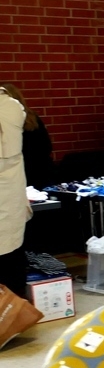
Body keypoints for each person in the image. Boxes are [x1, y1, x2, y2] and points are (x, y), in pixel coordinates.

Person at [0, 85, 30, 296]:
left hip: (8, 193)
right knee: (12, 255)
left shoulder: (10, 107)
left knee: (9, 257)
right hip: (11, 194)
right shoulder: (13, 107)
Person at [1, 84, 54, 189]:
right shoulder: (33, 117)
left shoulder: (6, 121)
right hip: (42, 171)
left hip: (21, 174)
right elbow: (47, 146)